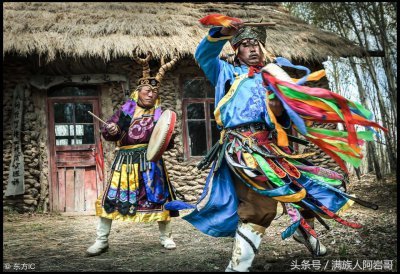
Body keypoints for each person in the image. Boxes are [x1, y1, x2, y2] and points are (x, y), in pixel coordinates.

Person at [165, 20, 385, 272]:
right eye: (246, 45)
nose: (253, 49)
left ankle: (304, 232)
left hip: (272, 147)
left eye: (256, 44)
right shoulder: (224, 72)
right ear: (236, 50)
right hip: (243, 151)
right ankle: (237, 267)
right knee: (259, 206)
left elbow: (286, 116)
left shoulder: (273, 76)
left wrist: (280, 110)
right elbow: (203, 54)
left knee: (310, 190)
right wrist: (221, 33)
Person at [86, 52, 179, 256]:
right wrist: (112, 130)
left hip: (151, 162)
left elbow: (166, 141)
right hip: (125, 163)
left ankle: (166, 238)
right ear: (138, 92)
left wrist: (167, 135)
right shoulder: (126, 111)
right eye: (147, 90)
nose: (151, 94)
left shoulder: (159, 114)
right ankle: (101, 241)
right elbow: (112, 131)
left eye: (155, 92)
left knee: (159, 198)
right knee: (110, 199)